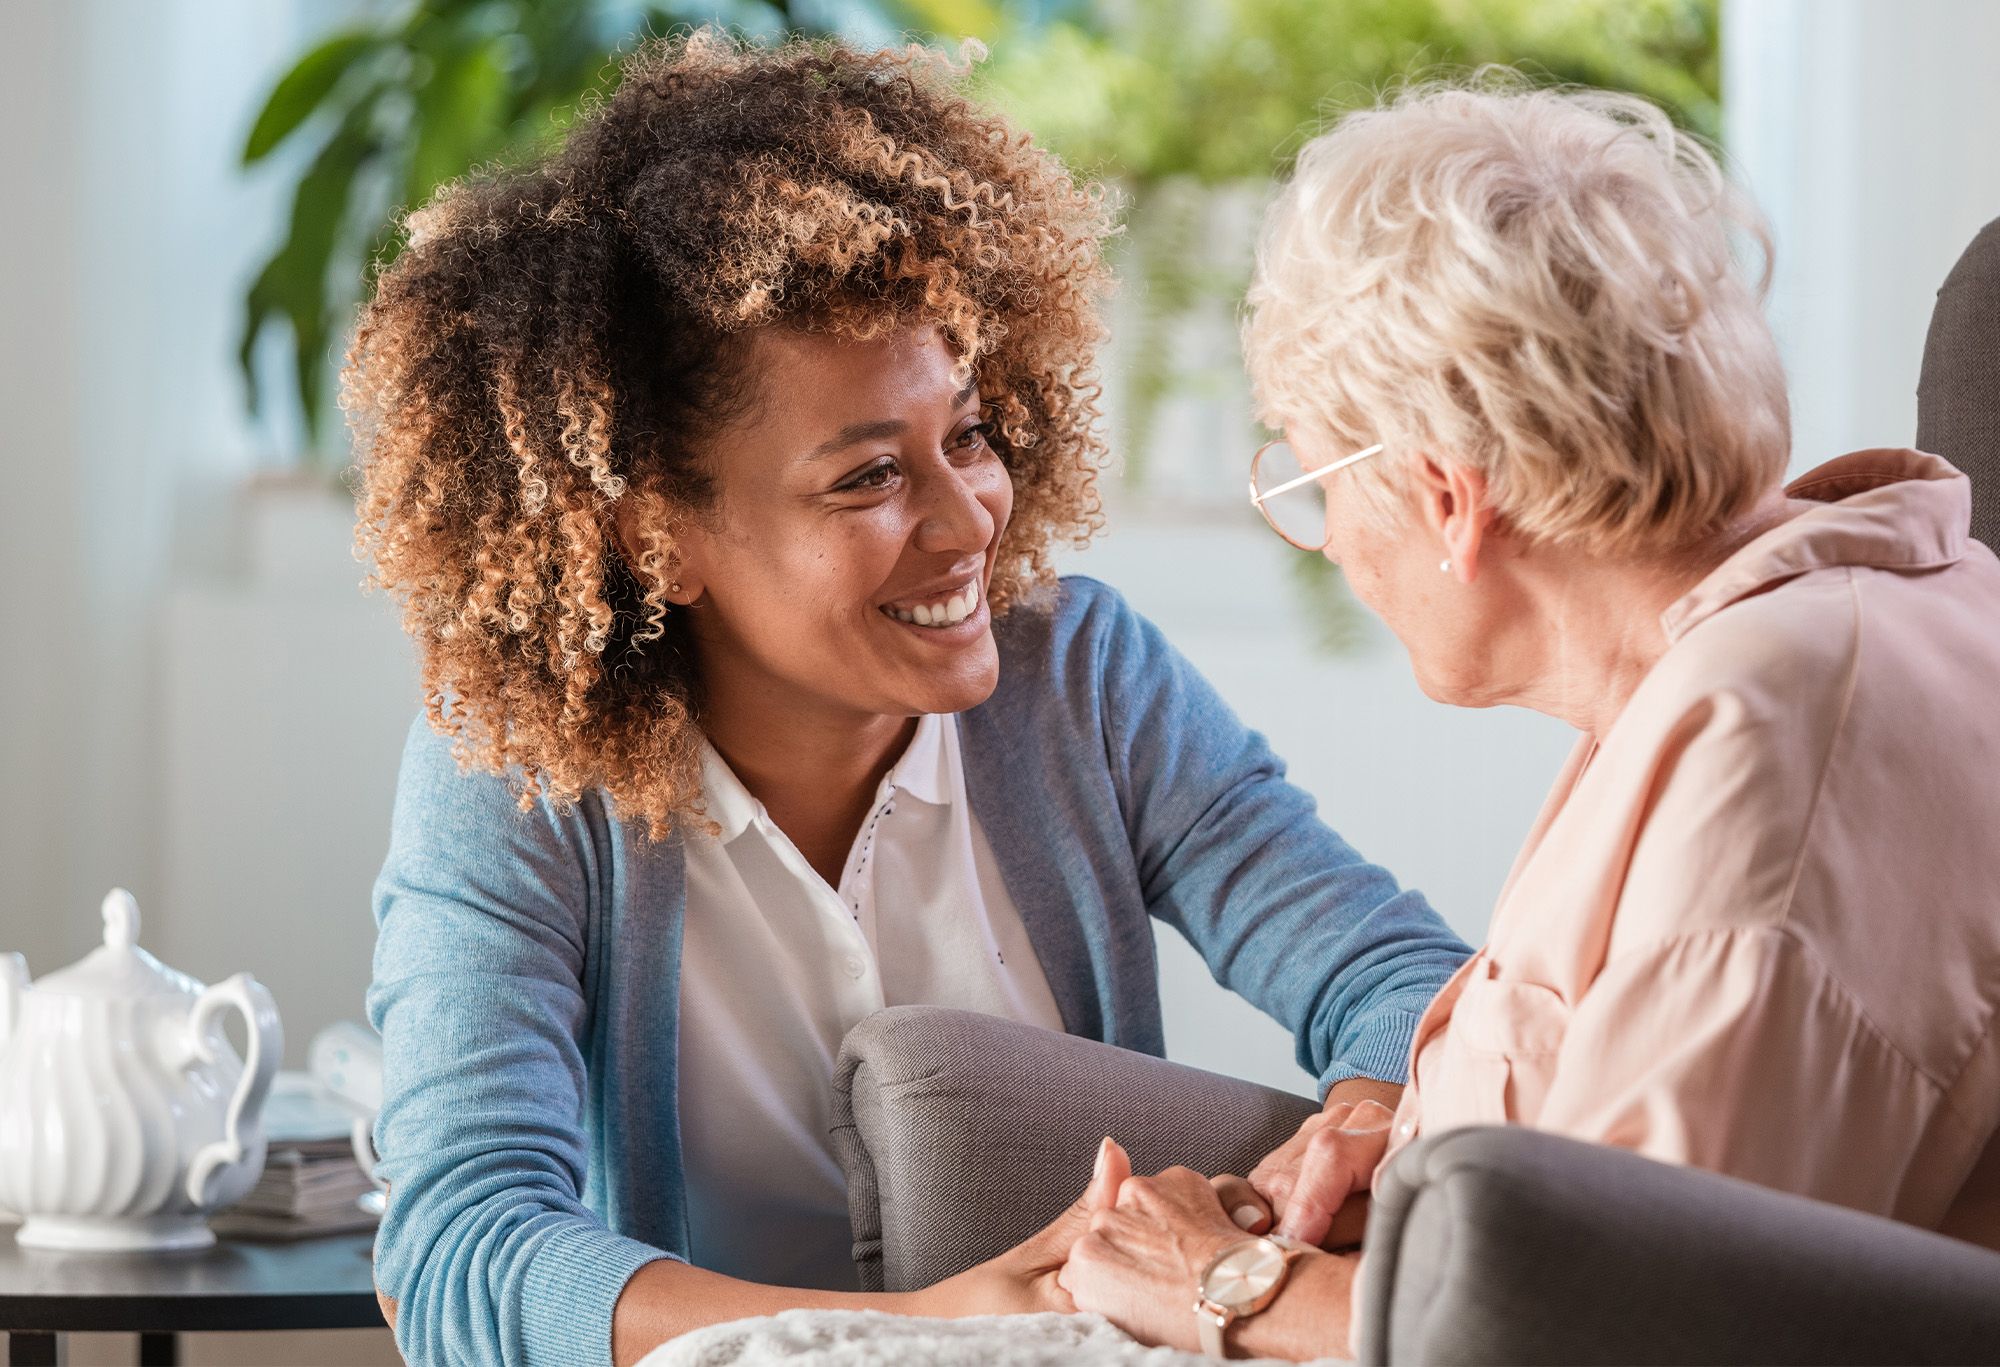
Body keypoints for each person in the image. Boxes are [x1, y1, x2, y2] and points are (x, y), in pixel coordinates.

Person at [348, 31, 1469, 1367]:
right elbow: (458, 1252)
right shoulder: (519, 769)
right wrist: (922, 1331)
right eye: (867, 478)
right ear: (657, 539)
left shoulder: (1084, 678)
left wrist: (1362, 1115)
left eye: (971, 434)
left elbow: (1403, 977)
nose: (968, 519)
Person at [1055, 75, 2000, 1359]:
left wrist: (1228, 1283)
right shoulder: (1784, 634)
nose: (1326, 544)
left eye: (1314, 476)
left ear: (1446, 497)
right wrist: (1408, 1139)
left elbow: (1629, 1322)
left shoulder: (1771, 734)